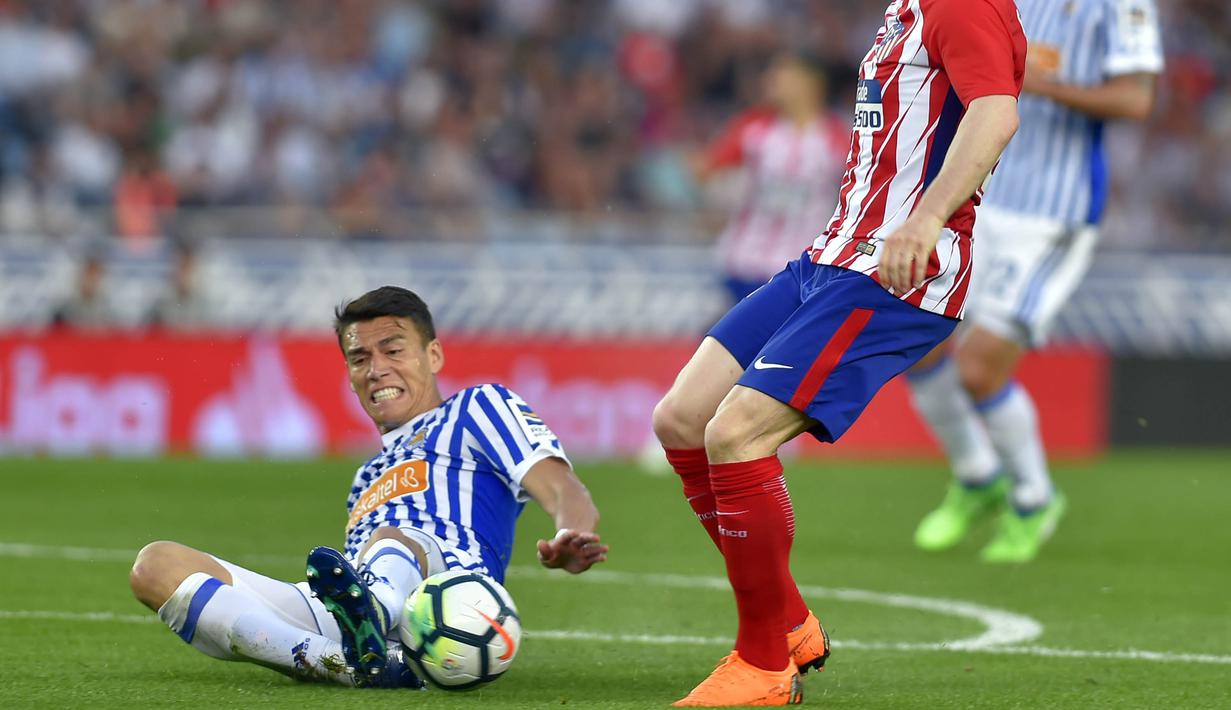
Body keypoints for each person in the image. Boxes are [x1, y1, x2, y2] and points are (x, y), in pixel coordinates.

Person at [651, 0, 1026, 705]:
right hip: (825, 258)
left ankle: (762, 666)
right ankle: (788, 622)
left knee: (735, 434)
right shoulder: (906, 10)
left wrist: (923, 219)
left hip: (891, 270)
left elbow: (995, 113)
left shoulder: (960, 3)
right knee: (682, 419)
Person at [129, 286, 608, 688]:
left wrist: (570, 533)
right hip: (361, 604)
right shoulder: (365, 478)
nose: (376, 368)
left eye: (393, 349)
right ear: (351, 375)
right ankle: (348, 663)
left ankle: (370, 614)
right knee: (156, 566)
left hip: (450, 605)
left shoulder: (477, 407)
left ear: (433, 354)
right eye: (360, 358)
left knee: (395, 536)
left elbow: (564, 488)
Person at [908, 0, 1163, 563]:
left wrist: (1041, 86)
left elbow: (1135, 98)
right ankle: (977, 477)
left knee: (978, 368)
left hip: (1050, 214)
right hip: (980, 195)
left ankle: (1032, 499)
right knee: (915, 341)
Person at [697, 51, 849, 305]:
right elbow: (706, 171)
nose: (772, 82)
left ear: (811, 84)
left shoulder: (838, 137)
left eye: (783, 76)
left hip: (801, 266)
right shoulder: (754, 128)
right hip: (744, 261)